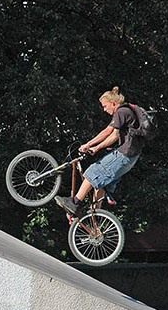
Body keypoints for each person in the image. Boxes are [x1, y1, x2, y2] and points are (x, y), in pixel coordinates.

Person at [55, 86, 143, 216]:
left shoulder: (121, 112)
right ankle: (95, 216)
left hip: (124, 154)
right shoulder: (127, 111)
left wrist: (89, 144)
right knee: (101, 183)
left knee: (93, 172)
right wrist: (96, 148)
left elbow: (108, 132)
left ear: (113, 103)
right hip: (131, 158)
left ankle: (74, 202)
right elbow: (114, 136)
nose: (104, 109)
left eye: (105, 106)